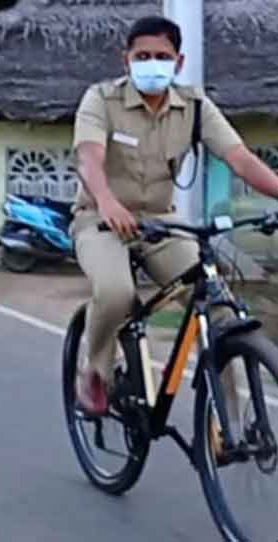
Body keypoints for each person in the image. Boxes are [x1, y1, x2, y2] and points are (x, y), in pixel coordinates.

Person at [72, 16, 278, 414]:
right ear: (126, 59)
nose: (152, 63)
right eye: (143, 56)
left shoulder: (196, 107)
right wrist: (107, 201)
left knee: (221, 311)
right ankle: (95, 372)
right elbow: (88, 158)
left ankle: (225, 428)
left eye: (162, 57)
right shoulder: (100, 99)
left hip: (162, 222)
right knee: (116, 294)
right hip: (100, 218)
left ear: (178, 63)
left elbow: (241, 159)